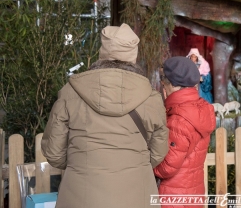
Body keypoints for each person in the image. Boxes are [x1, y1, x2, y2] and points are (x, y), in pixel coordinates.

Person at [41, 23, 169, 208]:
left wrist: (81, 162)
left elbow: (54, 152)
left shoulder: (71, 93)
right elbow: (159, 150)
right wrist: (134, 162)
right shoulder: (151, 97)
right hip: (137, 193)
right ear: (133, 54)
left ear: (102, 51)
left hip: (80, 195)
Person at [154, 57, 216, 208]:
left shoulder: (180, 119)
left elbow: (167, 167)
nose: (163, 88)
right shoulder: (201, 109)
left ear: (172, 85)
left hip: (174, 197)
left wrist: (147, 164)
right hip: (193, 193)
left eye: (164, 84)